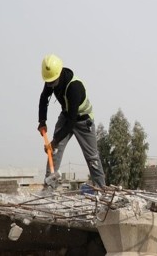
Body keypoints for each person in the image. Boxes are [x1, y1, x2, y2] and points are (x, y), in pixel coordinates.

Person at [38, 54, 106, 190]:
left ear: (59, 73)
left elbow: (71, 122)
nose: (50, 84)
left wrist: (55, 141)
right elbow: (43, 98)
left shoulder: (74, 87)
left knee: (92, 157)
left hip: (83, 120)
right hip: (66, 115)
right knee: (54, 152)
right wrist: (42, 121)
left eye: (52, 81)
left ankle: (102, 189)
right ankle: (48, 189)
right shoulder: (51, 79)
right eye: (48, 82)